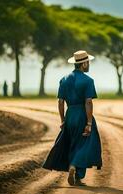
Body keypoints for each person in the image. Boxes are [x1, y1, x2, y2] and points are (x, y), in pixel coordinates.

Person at [42, 50, 102, 186]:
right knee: (85, 144)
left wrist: (63, 120)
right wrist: (89, 122)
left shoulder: (64, 79)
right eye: (88, 63)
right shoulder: (88, 81)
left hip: (70, 115)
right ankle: (74, 166)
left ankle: (78, 178)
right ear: (84, 63)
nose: (89, 65)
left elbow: (60, 102)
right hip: (82, 114)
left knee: (73, 143)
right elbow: (88, 102)